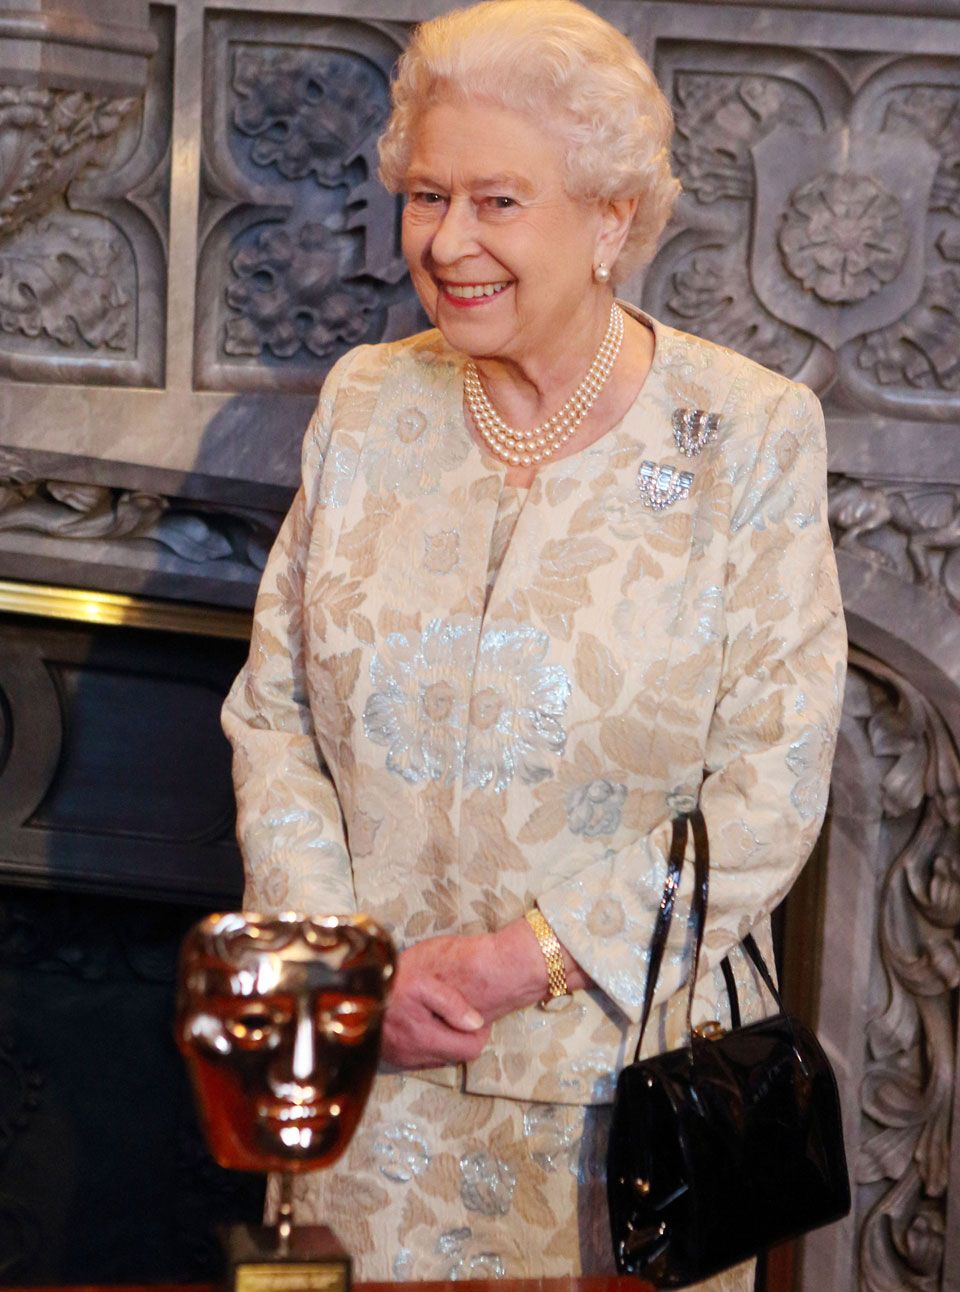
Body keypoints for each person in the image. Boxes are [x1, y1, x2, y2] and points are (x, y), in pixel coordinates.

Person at [221, 1, 846, 1286]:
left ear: (611, 217)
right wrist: (349, 968)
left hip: (626, 1119)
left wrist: (528, 958)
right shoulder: (364, 402)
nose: (448, 243)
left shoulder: (748, 436)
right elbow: (272, 710)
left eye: (498, 201)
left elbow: (772, 785)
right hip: (372, 1088)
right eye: (427, 195)